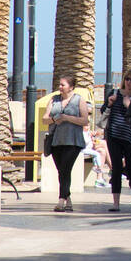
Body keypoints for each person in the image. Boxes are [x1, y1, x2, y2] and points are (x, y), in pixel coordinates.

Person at [46, 75, 90, 213]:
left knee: (66, 168)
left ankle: (61, 200)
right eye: (59, 84)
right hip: (56, 140)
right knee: (61, 171)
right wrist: (54, 119)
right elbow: (44, 119)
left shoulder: (79, 100)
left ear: (71, 87)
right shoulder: (54, 99)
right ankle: (68, 199)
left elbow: (85, 120)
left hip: (73, 141)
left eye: (62, 85)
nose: (60, 87)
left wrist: (67, 118)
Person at [101, 71, 131, 211]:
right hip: (114, 135)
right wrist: (110, 103)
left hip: (130, 136)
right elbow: (103, 110)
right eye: (127, 79)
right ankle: (116, 203)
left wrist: (129, 105)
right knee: (116, 168)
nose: (129, 82)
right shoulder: (115, 93)